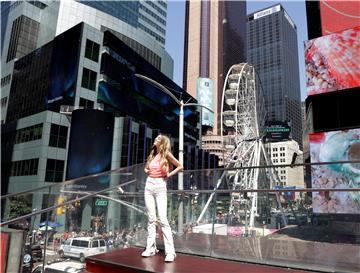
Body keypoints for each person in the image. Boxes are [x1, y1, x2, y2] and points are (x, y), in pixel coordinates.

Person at [141, 134, 183, 262]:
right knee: (151, 219)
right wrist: (147, 171)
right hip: (148, 185)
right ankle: (150, 248)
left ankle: (170, 252)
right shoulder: (153, 154)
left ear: (163, 142)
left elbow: (180, 166)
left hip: (160, 186)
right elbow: (146, 168)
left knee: (163, 219)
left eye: (158, 138)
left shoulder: (166, 154)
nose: (155, 139)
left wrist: (168, 175)